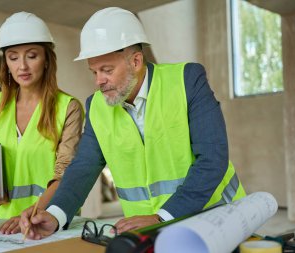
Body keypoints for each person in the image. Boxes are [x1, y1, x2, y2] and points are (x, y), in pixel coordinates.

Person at [19, 7, 246, 240]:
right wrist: (55, 215)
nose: (99, 81)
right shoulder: (97, 105)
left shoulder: (188, 81)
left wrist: (162, 217)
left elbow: (212, 158)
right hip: (145, 233)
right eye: (94, 71)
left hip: (216, 220)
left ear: (136, 61)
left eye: (107, 70)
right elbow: (83, 167)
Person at [0, 12, 84, 234]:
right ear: (5, 62)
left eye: (32, 56)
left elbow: (65, 174)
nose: (22, 66)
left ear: (47, 59)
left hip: (50, 220)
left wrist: (29, 214)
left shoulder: (68, 107)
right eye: (13, 57)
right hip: (5, 223)